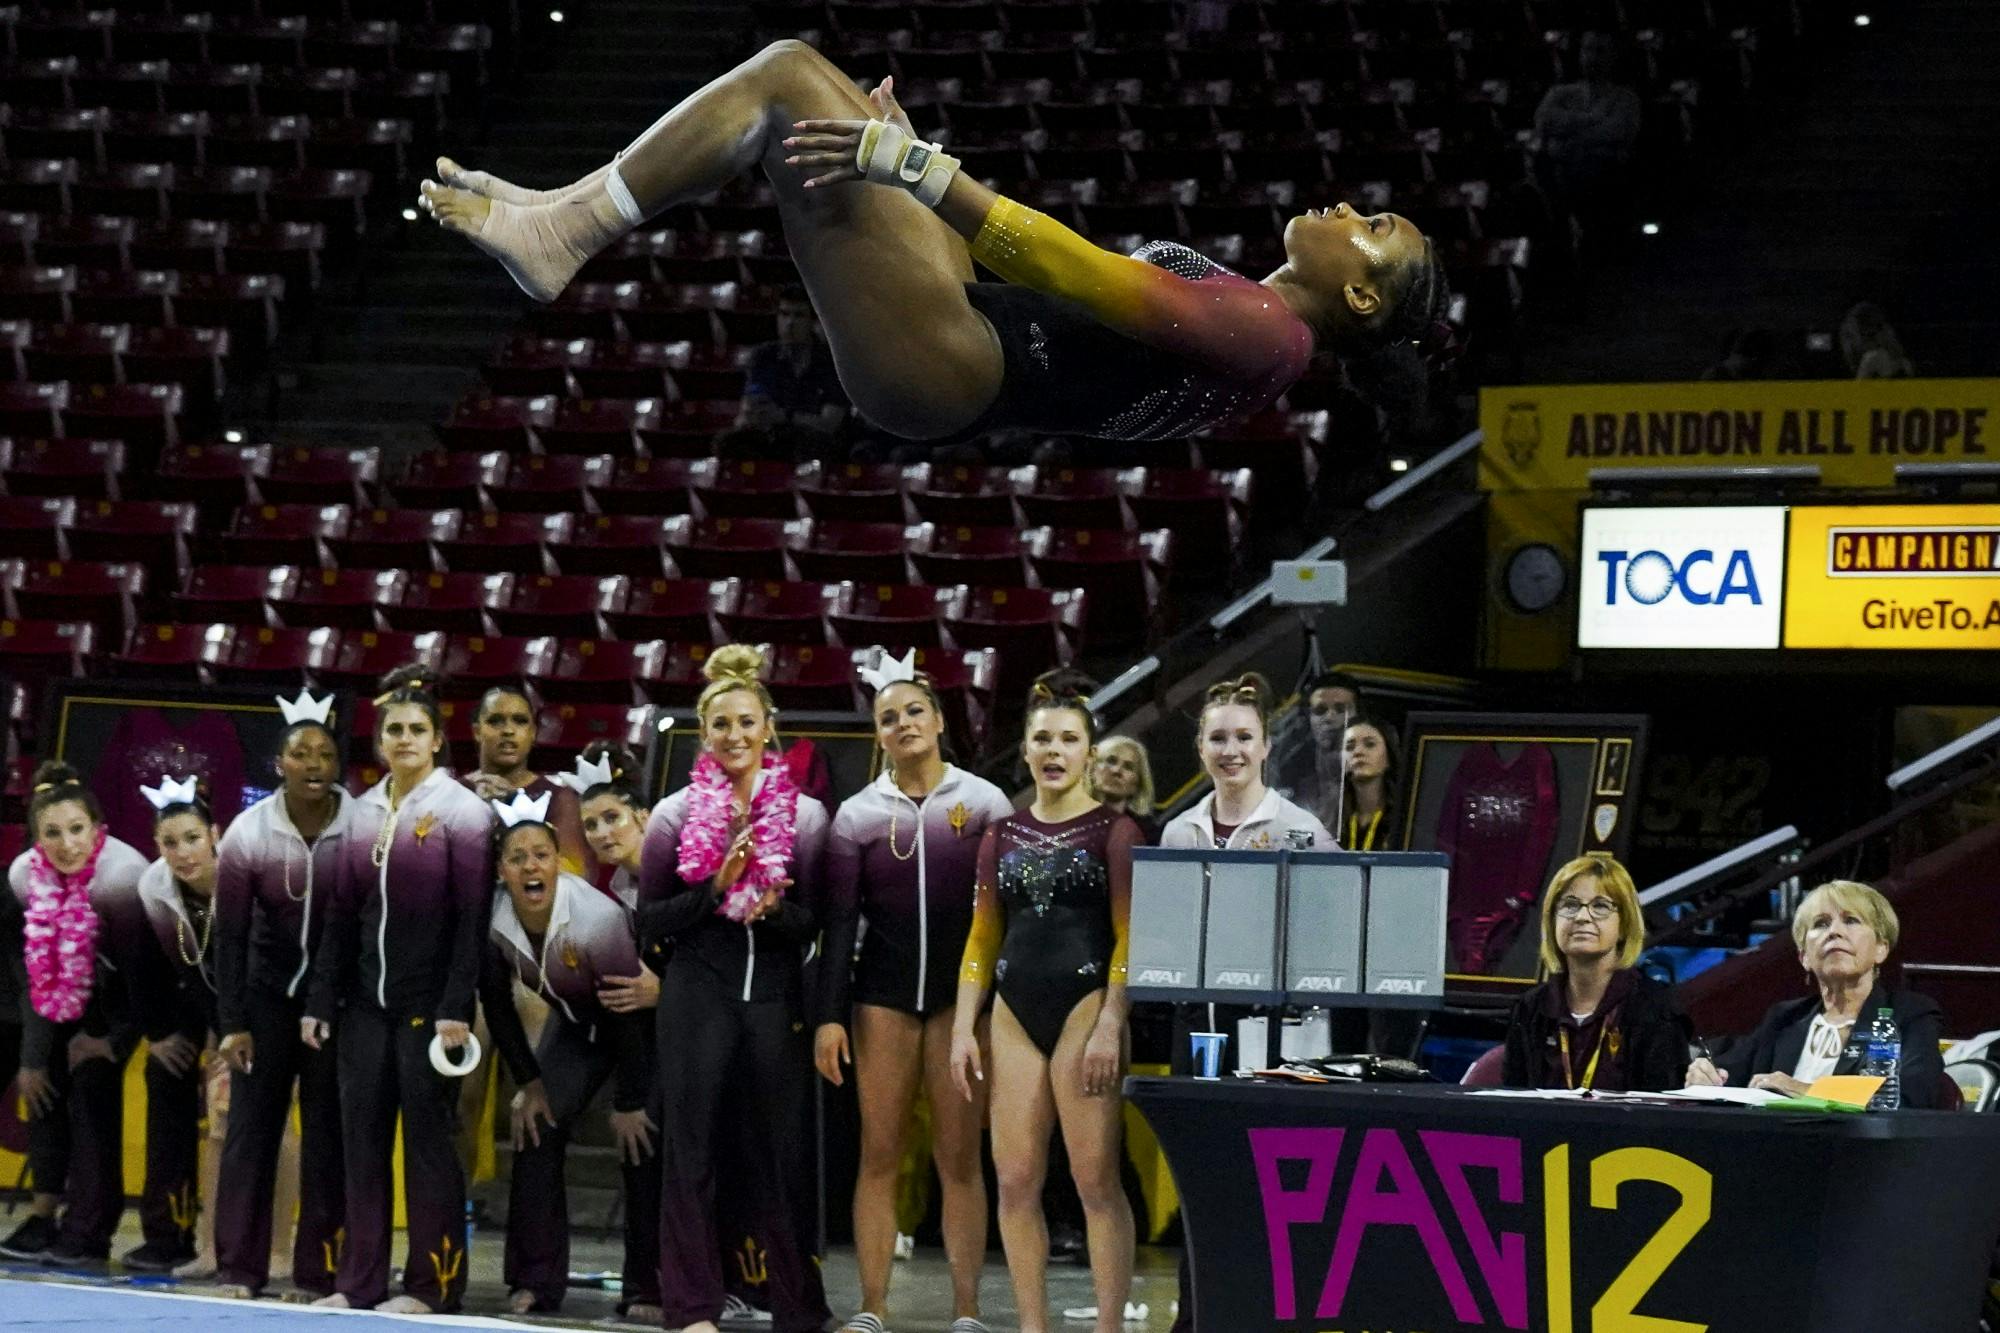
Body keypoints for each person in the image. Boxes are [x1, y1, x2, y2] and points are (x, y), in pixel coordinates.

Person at [419, 42, 1451, 444]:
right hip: (974, 334)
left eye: (1372, 231)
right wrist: (911, 176)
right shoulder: (1262, 334)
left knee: (788, 81)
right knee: (812, 102)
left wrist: (920, 176)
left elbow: (1075, 271)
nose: (1346, 210)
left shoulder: (1273, 336)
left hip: (962, 363)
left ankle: (564, 227)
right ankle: (565, 209)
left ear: (1362, 298)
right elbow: (1052, 302)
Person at [815, 651, 1015, 1333]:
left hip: (963, 1003)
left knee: (959, 1157)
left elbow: (1001, 917)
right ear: (878, 734)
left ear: (937, 720)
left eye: (913, 711)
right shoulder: (857, 815)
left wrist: (995, 1010)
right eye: (888, 717)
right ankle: (872, 1305)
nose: (902, 723)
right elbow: (840, 922)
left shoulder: (984, 802)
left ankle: (967, 1310)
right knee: (879, 1153)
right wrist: (829, 1016)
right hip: (883, 996)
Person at [638, 643, 832, 1333]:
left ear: (768, 727)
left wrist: (774, 910)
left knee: (782, 1155)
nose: (735, 735)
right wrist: (715, 889)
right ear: (704, 732)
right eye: (721, 724)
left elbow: (818, 921)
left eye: (747, 722)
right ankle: (692, 1306)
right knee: (690, 1151)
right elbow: (647, 921)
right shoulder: (673, 814)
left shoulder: (807, 816)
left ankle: (798, 1305)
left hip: (775, 997)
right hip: (699, 993)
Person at [951, 670, 1141, 1333]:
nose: (1054, 750)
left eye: (1068, 739)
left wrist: (1112, 1021)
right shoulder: (999, 834)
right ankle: (1033, 1326)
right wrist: (963, 1027)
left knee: (1095, 1181)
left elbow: (1130, 935)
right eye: (1042, 739)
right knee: (1014, 1179)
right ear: (1027, 750)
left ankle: (1109, 1325)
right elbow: (982, 936)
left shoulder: (1117, 831)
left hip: (1086, 1004)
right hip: (1013, 1010)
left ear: (1089, 752)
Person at [302, 667, 496, 1313]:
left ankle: (431, 1286)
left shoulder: (465, 813)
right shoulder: (360, 812)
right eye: (394, 730)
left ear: (438, 740)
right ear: (380, 740)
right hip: (364, 1006)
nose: (405, 738)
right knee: (361, 1144)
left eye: (417, 729)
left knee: (429, 1147)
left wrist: (455, 1005)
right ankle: (358, 1282)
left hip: (428, 1008)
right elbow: (340, 912)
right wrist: (321, 999)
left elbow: (471, 918)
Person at [476, 791, 660, 1321]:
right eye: (517, 858)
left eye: (541, 855)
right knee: (535, 1127)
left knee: (642, 1141)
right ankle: (534, 1280)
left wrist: (630, 1101)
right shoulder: (492, 918)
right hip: (578, 1027)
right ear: (502, 871)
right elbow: (496, 1004)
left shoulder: (596, 918)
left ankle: (647, 1288)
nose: (531, 866)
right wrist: (529, 1082)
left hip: (636, 1028)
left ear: (560, 862)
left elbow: (627, 1014)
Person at [210, 690, 356, 1299]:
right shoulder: (249, 832)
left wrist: (328, 1000)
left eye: (325, 754)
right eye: (301, 753)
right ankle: (239, 1269)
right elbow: (229, 935)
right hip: (265, 999)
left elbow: (359, 922)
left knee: (325, 1134)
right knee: (251, 1131)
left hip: (335, 1003)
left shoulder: (360, 825)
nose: (314, 764)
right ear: (280, 764)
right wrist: (232, 1022)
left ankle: (315, 1272)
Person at [1, 764, 151, 1267]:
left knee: (91, 1086)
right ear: (35, 837)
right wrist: (33, 1058)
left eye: (76, 829)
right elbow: (35, 973)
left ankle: (89, 1230)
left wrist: (111, 1040)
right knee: (43, 1082)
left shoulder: (123, 876)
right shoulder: (23, 875)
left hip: (128, 997)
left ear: (97, 828)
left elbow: (143, 973)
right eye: (52, 833)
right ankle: (45, 1217)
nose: (66, 845)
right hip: (64, 989)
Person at [1687, 880, 1945, 1106]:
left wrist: (1804, 1091)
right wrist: (1706, 1076)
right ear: (1804, 957)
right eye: (1821, 923)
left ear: (1881, 948)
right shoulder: (1785, 1018)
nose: (1834, 932)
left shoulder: (1910, 1014)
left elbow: (1913, 1095)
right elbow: (1728, 1074)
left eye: (1851, 920)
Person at [133, 778, 225, 1278]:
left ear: (215, 834)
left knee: (239, 1111)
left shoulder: (243, 876)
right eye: (170, 842)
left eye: (192, 838)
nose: (183, 853)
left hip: (258, 1005)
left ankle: (256, 1246)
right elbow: (147, 966)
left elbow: (253, 966)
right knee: (165, 1071)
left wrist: (225, 1035)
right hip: (193, 1002)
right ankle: (170, 1235)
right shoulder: (153, 886)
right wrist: (158, 1035)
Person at [1501, 855, 1690, 1092]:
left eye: (1600, 906)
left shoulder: (1657, 1009)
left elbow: (1662, 1107)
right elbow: (1512, 1102)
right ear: (1552, 921)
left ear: (1624, 925)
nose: (1582, 917)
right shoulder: (1530, 1009)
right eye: (1570, 905)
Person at [1533, 31, 1642, 257]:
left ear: (1612, 57)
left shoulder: (1626, 98)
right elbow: (1544, 123)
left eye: (1600, 51)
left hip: (1604, 181)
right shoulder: (1559, 93)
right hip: (1559, 179)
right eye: (1587, 50)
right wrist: (1592, 119)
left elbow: (1614, 132)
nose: (1592, 57)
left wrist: (1567, 134)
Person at [465, 685, 591, 878]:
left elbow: (575, 877)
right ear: (477, 731)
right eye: (495, 721)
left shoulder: (559, 798)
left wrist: (515, 812)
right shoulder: (453, 793)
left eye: (520, 721)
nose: (508, 730)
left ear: (533, 732)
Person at [739, 285, 852, 438]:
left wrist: (785, 416)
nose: (790, 323)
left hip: (815, 440)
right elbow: (750, 407)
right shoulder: (763, 356)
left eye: (799, 315)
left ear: (813, 321)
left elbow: (829, 424)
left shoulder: (831, 361)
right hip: (772, 435)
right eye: (784, 314)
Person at [1333, 715, 1401, 852]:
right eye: (1349, 747)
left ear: (1389, 757)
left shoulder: (1404, 818)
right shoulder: (1330, 821)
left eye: (1370, 744)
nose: (1358, 752)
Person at [1090, 736, 1159, 846]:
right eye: (1111, 761)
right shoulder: (1068, 816)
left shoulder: (1146, 832)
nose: (1117, 771)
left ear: (1138, 784)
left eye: (1128, 767)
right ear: (1092, 769)